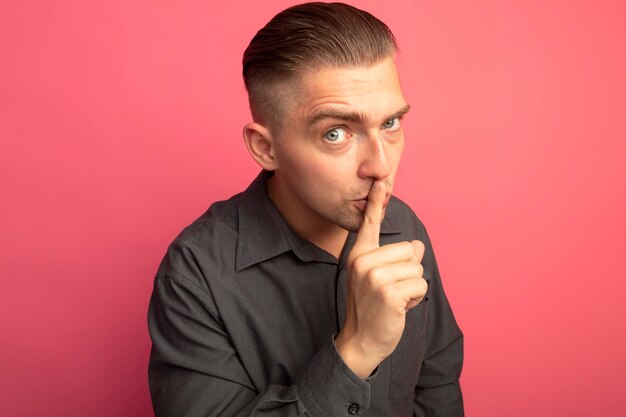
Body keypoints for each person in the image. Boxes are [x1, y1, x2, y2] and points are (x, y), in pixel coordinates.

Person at [148, 3, 464, 416]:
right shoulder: (196, 275)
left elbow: (437, 389)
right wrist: (357, 349)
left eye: (390, 124)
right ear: (266, 148)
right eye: (336, 133)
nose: (381, 167)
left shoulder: (404, 226)